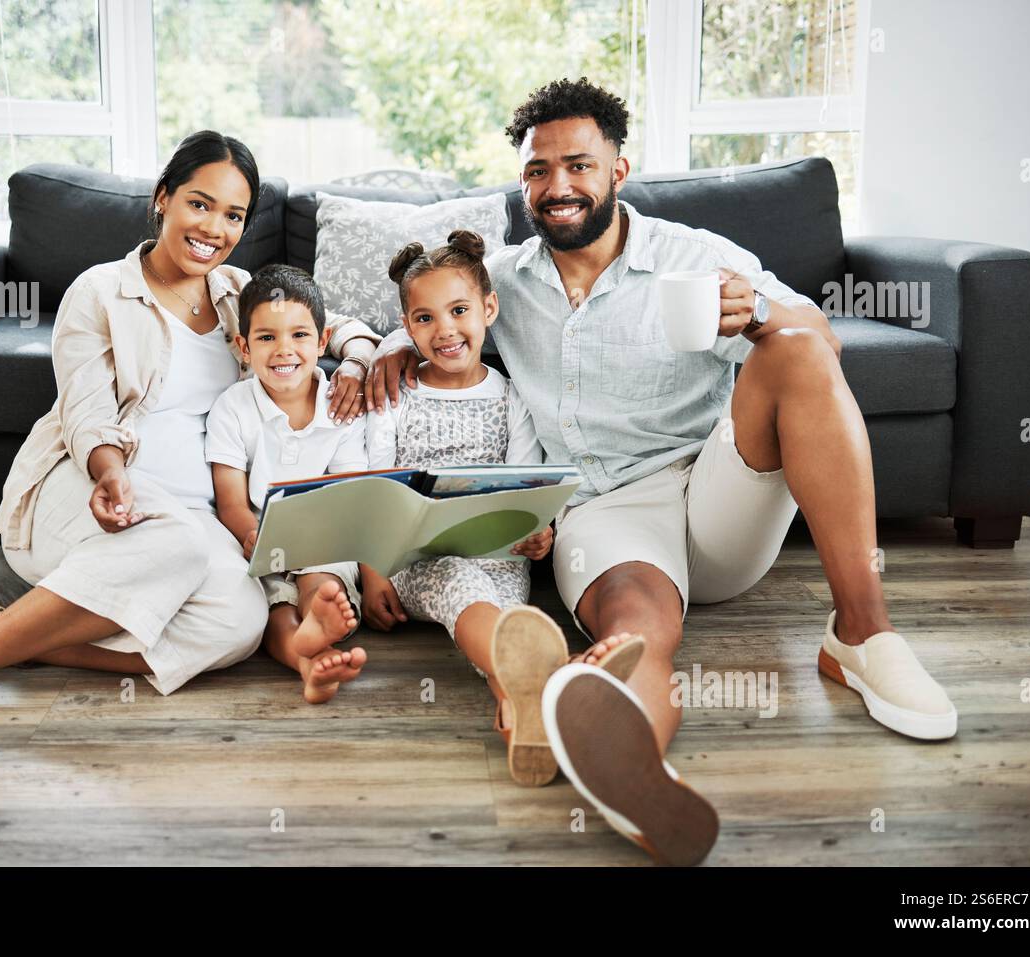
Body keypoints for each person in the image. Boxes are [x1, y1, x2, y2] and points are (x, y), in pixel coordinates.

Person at [367, 78, 957, 865]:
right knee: (637, 631)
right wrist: (376, 349)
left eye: (578, 163)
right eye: (537, 171)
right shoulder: (500, 281)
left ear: (619, 168)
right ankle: (636, 767)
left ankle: (863, 631)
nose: (557, 185)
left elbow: (820, 333)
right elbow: (429, 313)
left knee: (799, 351)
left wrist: (760, 313)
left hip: (720, 482)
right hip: (606, 507)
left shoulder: (696, 257)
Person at [0, 131, 381, 741]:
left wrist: (356, 357)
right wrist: (110, 469)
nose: (214, 229)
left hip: (195, 520)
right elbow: (86, 406)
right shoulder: (99, 291)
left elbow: (325, 321)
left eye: (233, 215)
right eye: (199, 204)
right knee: (176, 543)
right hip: (92, 491)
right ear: (163, 198)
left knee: (242, 623)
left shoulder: (234, 293)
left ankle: (13, 638)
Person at [362, 229, 644, 787]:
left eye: (459, 310)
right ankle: (564, 676)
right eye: (424, 318)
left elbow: (525, 492)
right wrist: (371, 573)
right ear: (405, 326)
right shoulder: (395, 397)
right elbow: (375, 489)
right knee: (459, 580)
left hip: (501, 562)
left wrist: (540, 533)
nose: (444, 330)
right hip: (418, 562)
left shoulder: (512, 397)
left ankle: (525, 721)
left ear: (489, 309)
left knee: (496, 630)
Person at [206, 264, 367, 704]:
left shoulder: (342, 407)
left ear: (321, 340)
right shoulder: (232, 408)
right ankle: (305, 656)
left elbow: (354, 492)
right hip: (260, 534)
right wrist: (253, 535)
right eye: (266, 337)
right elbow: (231, 502)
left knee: (321, 579)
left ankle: (317, 623)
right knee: (273, 602)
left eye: (299, 336)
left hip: (323, 531)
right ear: (243, 347)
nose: (284, 350)